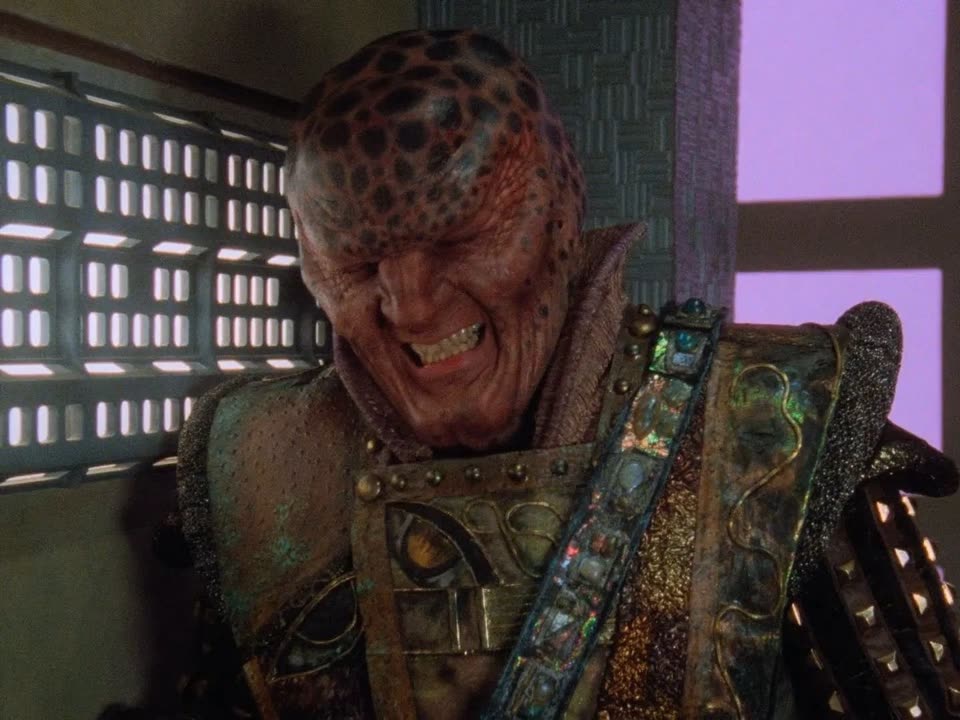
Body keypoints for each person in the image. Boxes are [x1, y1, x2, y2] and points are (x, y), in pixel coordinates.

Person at [177, 29, 960, 719]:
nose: (410, 308)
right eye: (357, 261)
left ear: (561, 210)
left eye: (458, 236)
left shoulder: (780, 418)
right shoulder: (256, 465)